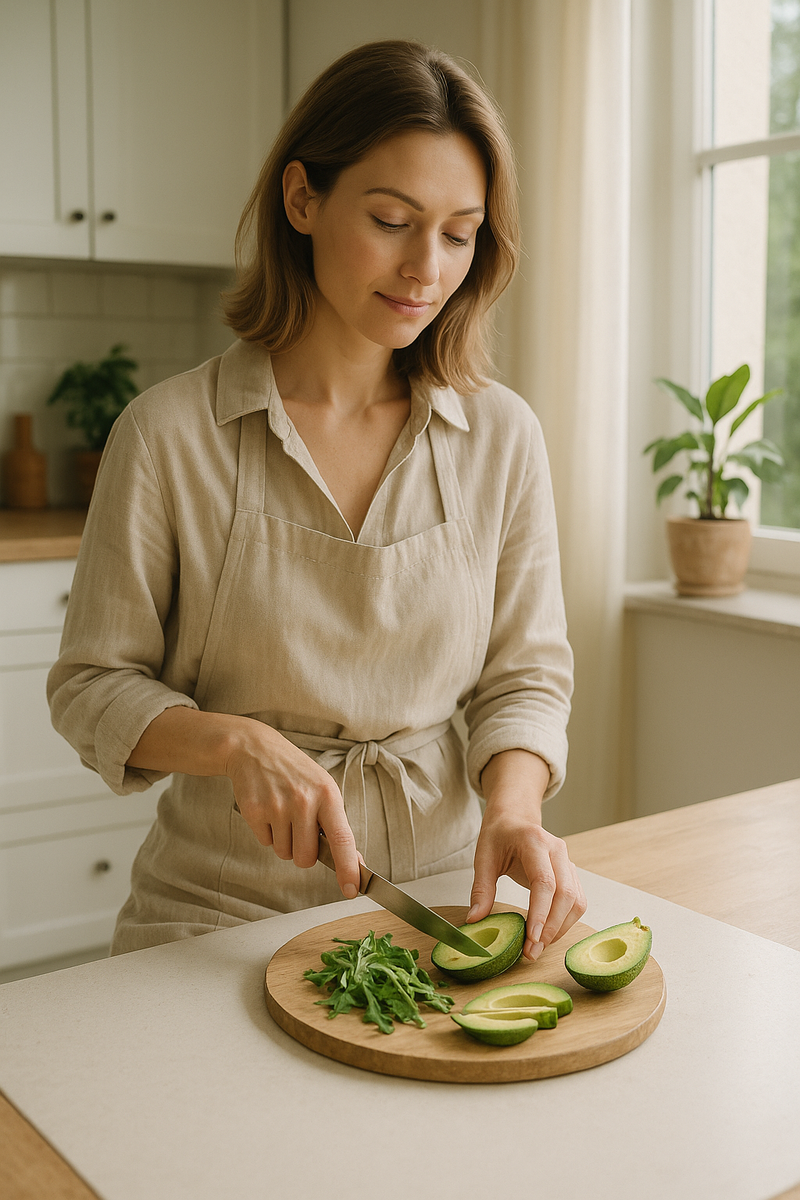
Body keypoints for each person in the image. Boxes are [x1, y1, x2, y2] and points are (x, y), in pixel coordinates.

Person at [48, 39, 587, 959]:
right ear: (302, 198)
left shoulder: (502, 436)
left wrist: (515, 810)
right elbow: (91, 686)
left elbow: (525, 677)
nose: (426, 266)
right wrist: (233, 745)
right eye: (391, 219)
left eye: (459, 234)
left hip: (443, 902)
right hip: (217, 917)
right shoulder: (169, 435)